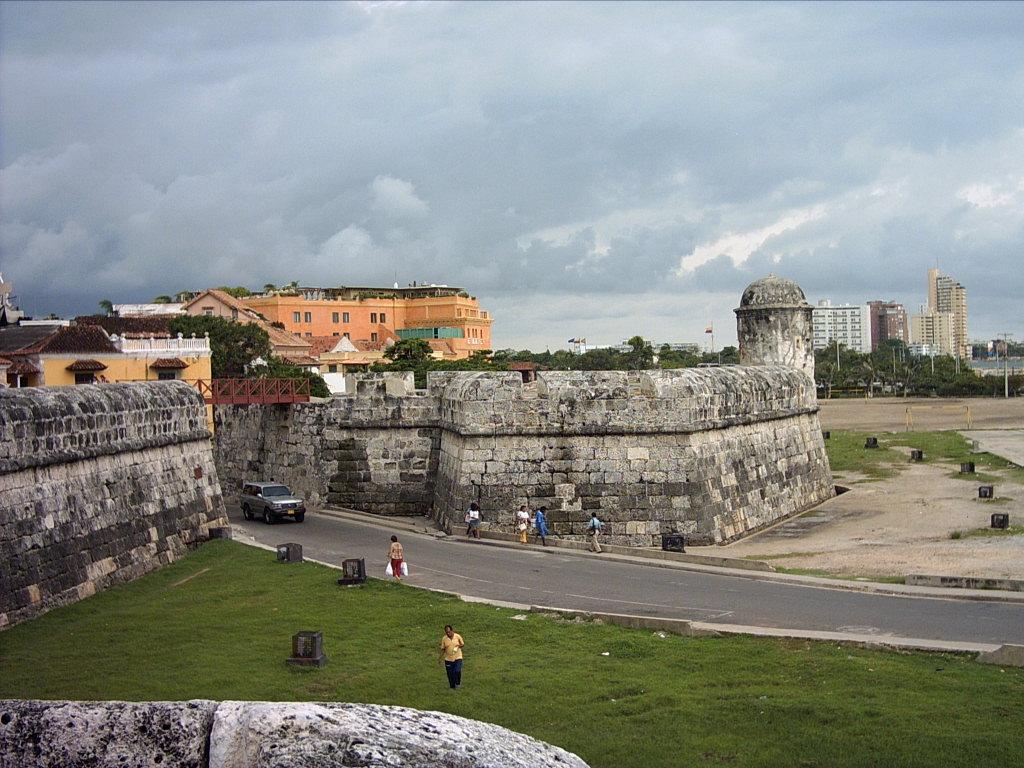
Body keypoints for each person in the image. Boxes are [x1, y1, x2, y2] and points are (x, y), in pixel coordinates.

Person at [439, 624, 465, 689]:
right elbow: (443, 649)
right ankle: (452, 687)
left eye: (449, 632)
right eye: (446, 632)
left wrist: (458, 646)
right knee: (450, 674)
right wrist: (440, 658)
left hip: (458, 657)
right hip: (448, 659)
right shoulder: (444, 639)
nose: (448, 633)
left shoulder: (457, 636)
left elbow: (462, 644)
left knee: (457, 671)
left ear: (452, 630)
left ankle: (458, 683)